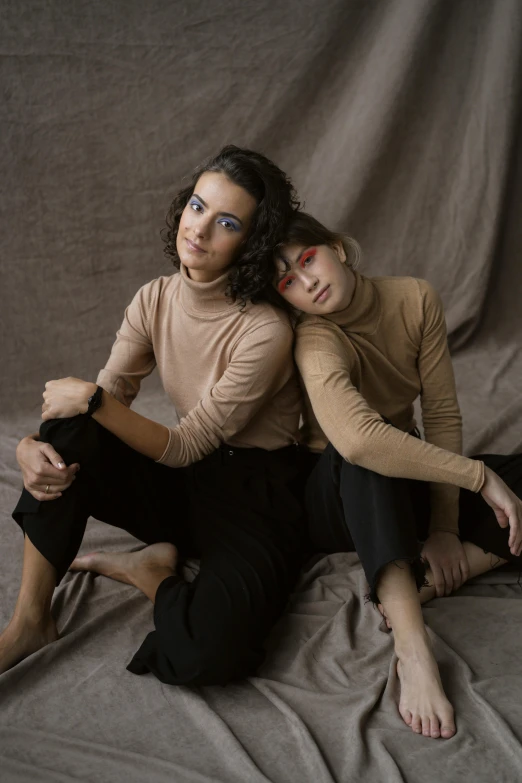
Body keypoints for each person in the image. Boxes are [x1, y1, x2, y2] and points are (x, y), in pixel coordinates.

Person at [1, 145, 309, 686]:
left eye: (227, 222)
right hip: (184, 483)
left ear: (252, 242)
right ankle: (30, 621)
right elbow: (98, 409)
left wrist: (92, 403)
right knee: (74, 428)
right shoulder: (154, 299)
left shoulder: (266, 330)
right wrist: (32, 443)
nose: (200, 230)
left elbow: (187, 442)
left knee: (205, 657)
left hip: (258, 497)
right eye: (197, 207)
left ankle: (153, 573)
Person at [272, 210, 522, 740]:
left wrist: (446, 527)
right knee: (368, 448)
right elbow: (360, 439)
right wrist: (476, 477)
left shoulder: (415, 298)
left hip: (402, 472)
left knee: (515, 470)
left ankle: (440, 576)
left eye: (309, 259)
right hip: (336, 494)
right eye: (288, 280)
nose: (308, 281)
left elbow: (443, 416)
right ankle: (413, 648)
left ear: (337, 247)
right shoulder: (313, 339)